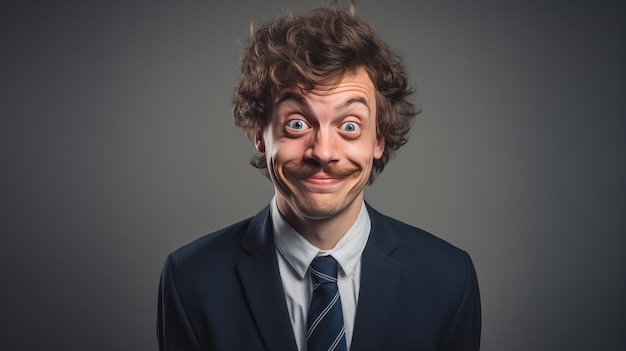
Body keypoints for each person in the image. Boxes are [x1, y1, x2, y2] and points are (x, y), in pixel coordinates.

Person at [157, 2, 481, 350]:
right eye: (297, 124)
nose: (323, 152)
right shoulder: (190, 278)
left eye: (350, 126)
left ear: (379, 139)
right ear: (259, 136)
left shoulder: (449, 278)